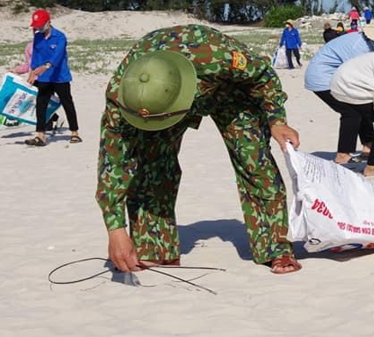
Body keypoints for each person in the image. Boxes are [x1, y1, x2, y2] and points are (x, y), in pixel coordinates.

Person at [96, 24, 302, 274]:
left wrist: (277, 121)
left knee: (254, 163)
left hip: (231, 92)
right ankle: (155, 250)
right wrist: (115, 230)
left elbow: (264, 76)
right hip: (162, 103)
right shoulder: (123, 97)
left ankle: (276, 249)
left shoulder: (217, 57)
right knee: (152, 165)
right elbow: (112, 164)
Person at [305, 18, 374, 164]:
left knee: (362, 104)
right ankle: (343, 154)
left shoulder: (369, 44)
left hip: (335, 76)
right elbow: (358, 75)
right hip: (323, 79)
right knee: (351, 112)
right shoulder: (360, 47)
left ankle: (368, 145)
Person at [24, 9, 81, 146]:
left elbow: (58, 55)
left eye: (40, 24)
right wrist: (32, 72)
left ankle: (74, 133)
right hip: (44, 78)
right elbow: (36, 57)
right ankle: (40, 135)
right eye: (36, 25)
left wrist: (46, 66)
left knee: (67, 103)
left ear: (49, 22)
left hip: (60, 77)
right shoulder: (37, 37)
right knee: (41, 104)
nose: (38, 27)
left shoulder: (60, 36)